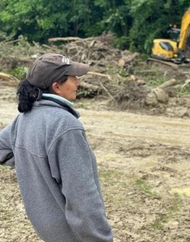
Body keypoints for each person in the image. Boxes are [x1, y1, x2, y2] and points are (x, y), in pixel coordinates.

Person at [0, 53, 113, 242]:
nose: (78, 82)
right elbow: (82, 200)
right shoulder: (66, 126)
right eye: (73, 78)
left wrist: (34, 165)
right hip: (73, 236)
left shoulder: (25, 117)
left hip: (49, 232)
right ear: (57, 87)